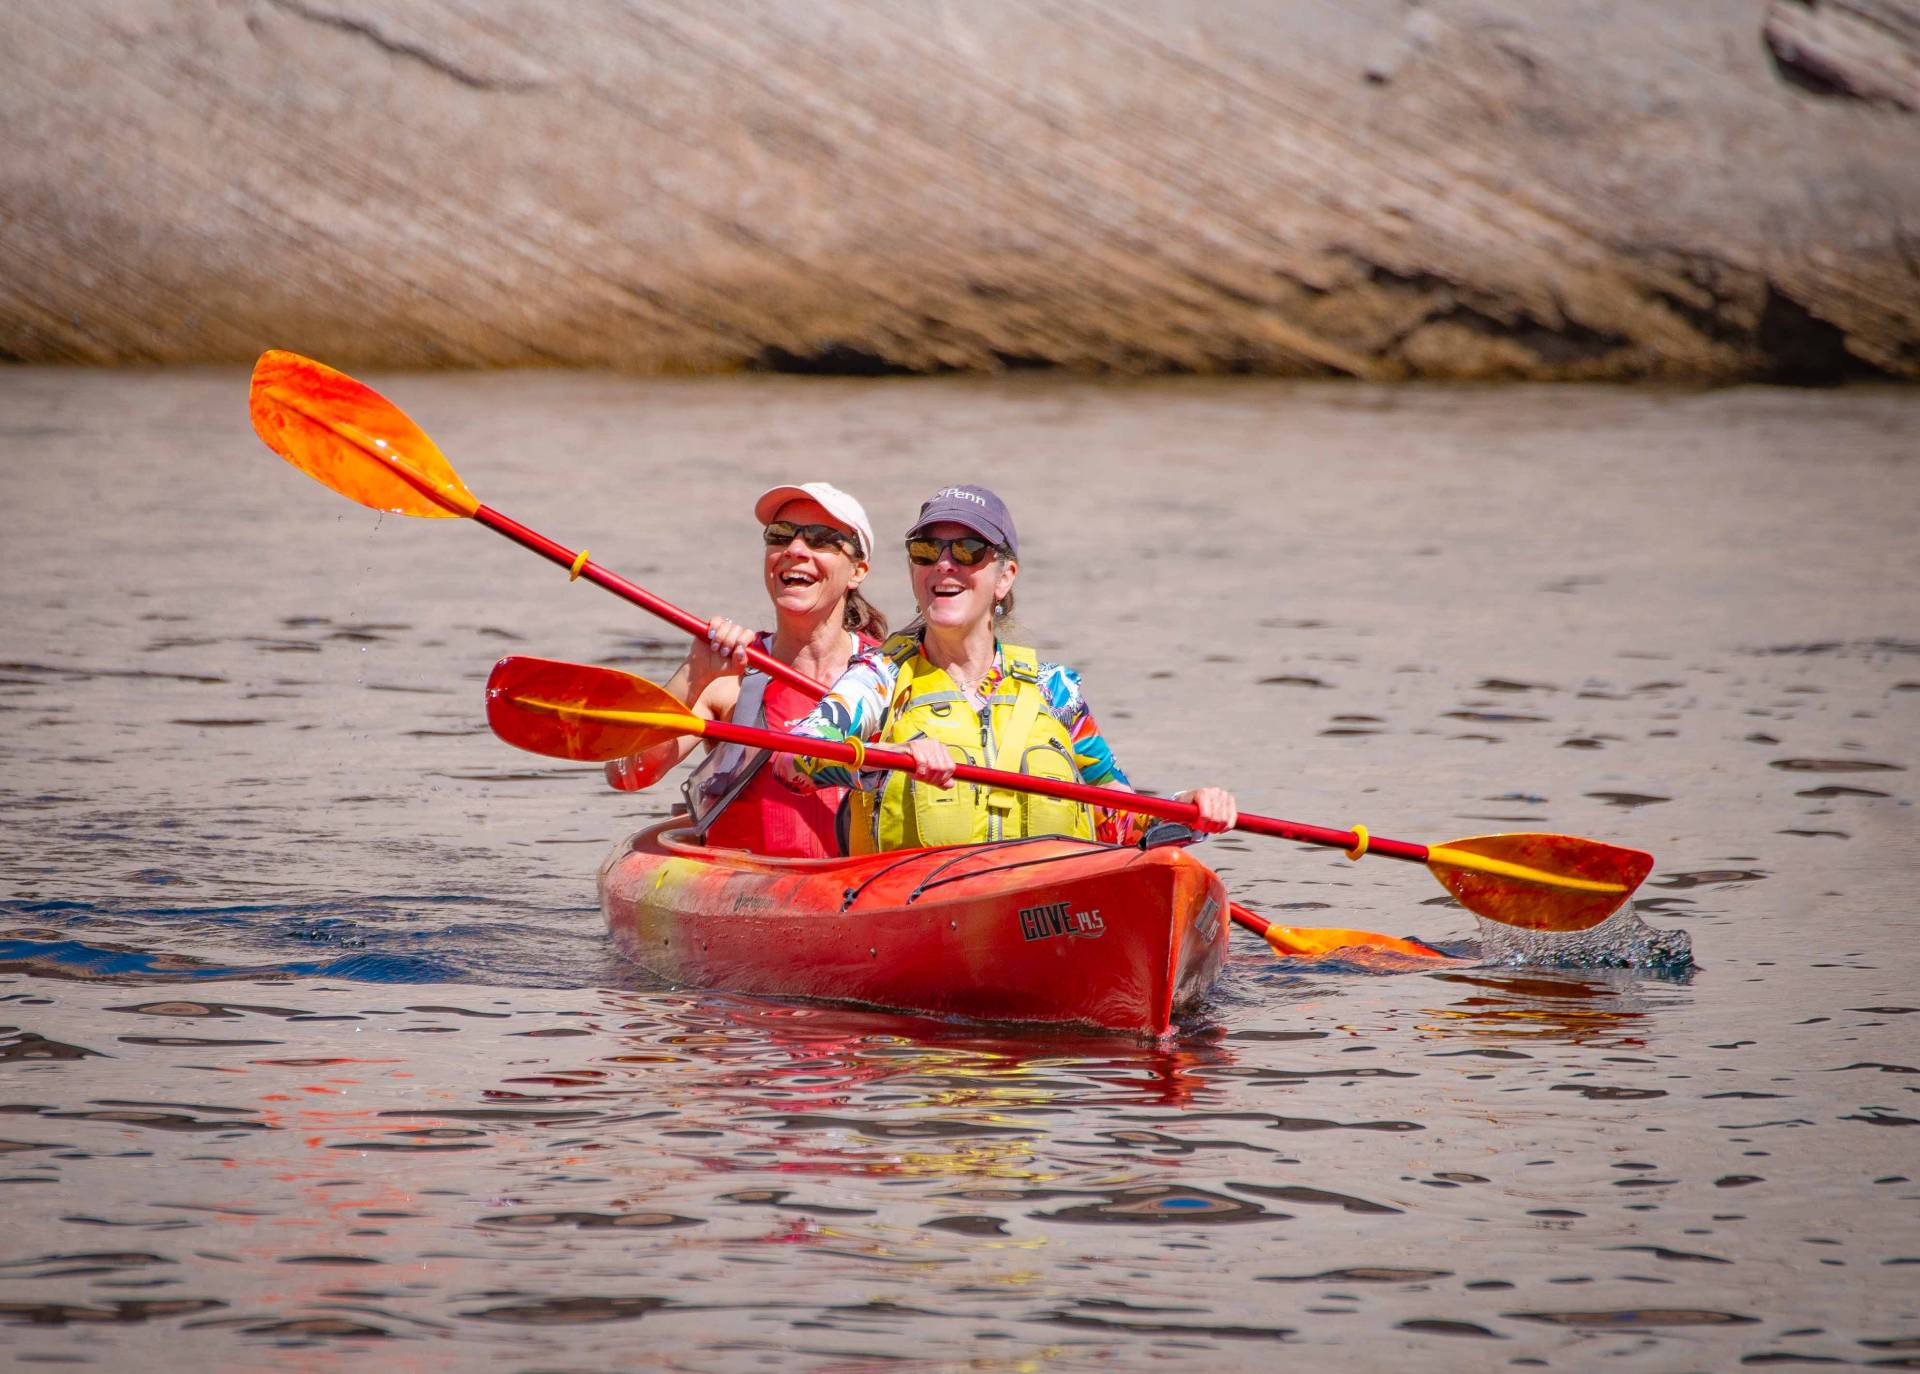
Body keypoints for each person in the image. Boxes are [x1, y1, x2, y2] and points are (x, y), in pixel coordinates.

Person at [772, 484, 1236, 853]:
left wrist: (1186, 811)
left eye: (969, 551)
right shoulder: (879, 678)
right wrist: (886, 758)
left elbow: (1117, 816)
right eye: (927, 551)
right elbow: (791, 759)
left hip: (1042, 906)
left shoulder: (1056, 691)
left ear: (1005, 576)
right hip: (916, 907)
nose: (945, 565)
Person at [605, 482, 885, 858]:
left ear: (857, 571)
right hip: (749, 892)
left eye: (821, 540)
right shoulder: (729, 677)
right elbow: (626, 774)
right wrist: (693, 675)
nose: (794, 550)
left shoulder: (892, 675)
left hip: (862, 891)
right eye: (780, 535)